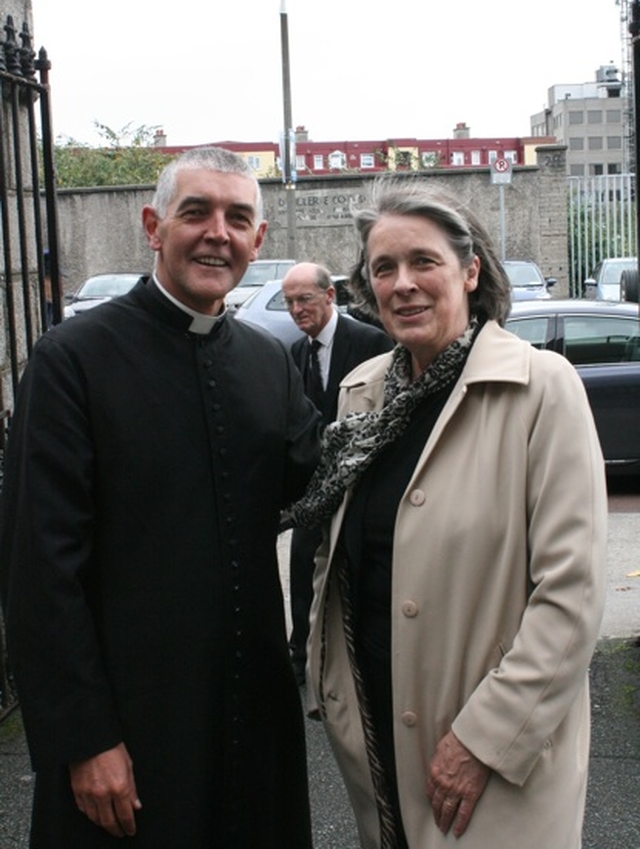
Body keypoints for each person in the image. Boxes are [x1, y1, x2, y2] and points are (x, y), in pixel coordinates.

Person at [0, 147, 321, 848]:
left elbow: (325, 483)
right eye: (196, 212)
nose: (219, 233)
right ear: (153, 224)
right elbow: (39, 570)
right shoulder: (71, 361)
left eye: (239, 218)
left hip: (251, 721)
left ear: (258, 240)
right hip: (130, 732)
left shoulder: (269, 362)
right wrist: (84, 738)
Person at [291, 177, 607, 849]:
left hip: (496, 756)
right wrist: (332, 691)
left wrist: (482, 738)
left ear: (469, 271)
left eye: (423, 261)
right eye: (384, 267)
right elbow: (331, 557)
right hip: (377, 736)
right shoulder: (360, 398)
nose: (402, 282)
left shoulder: (542, 389)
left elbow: (571, 595)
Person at [282, 262, 393, 684]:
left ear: (329, 296)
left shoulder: (370, 342)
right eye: (290, 302)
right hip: (314, 492)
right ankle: (301, 659)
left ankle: (356, 659)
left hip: (362, 485)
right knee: (302, 568)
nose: (296, 310)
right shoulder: (295, 353)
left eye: (304, 299)